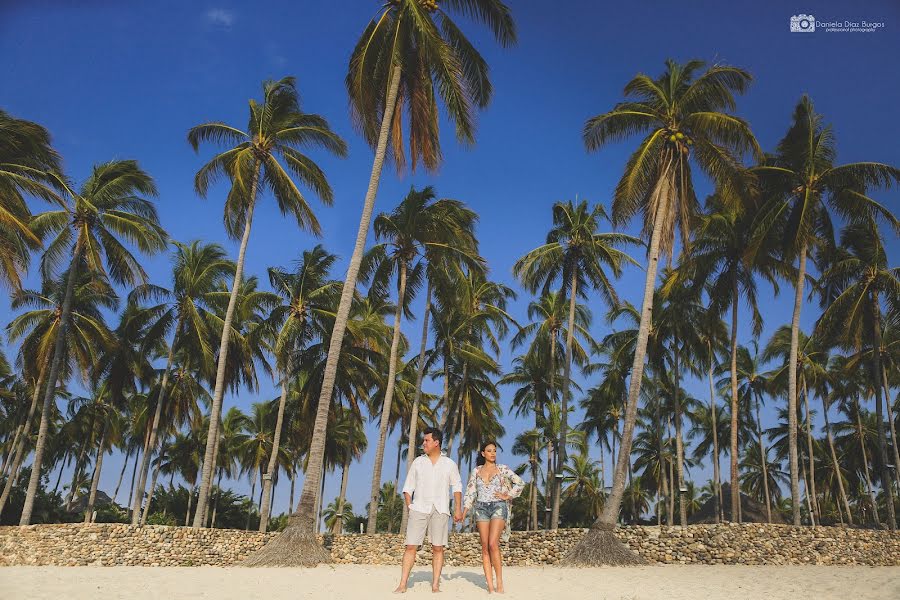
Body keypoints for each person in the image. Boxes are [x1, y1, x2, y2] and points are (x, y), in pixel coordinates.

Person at [394, 427, 463, 594]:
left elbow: (457, 487)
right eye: (424, 440)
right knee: (411, 546)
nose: (423, 443)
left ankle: (435, 585)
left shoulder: (449, 464)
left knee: (438, 547)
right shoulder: (418, 462)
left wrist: (458, 509)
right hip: (419, 508)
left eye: (427, 440)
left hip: (440, 510)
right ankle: (402, 584)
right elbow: (408, 486)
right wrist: (410, 506)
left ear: (436, 442)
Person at [461, 441, 525, 594]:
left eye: (494, 451)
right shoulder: (476, 471)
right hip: (481, 508)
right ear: (483, 453)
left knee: (492, 544)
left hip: (498, 506)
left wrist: (507, 495)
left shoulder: (502, 469)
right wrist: (464, 512)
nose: (493, 453)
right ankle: (490, 586)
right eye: (489, 451)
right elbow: (470, 492)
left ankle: (500, 582)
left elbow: (520, 483)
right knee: (484, 546)